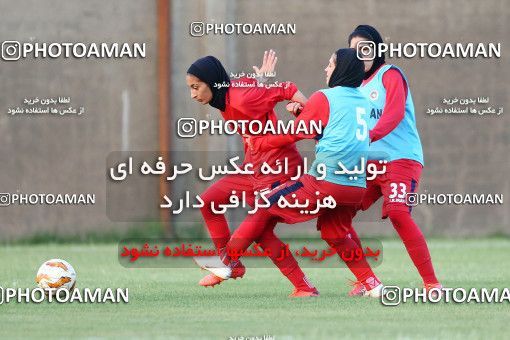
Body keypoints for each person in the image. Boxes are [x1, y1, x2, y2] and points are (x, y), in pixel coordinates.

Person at [195, 49, 384, 298]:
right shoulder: (361, 101)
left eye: (330, 65)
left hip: (324, 181)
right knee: (334, 232)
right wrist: (300, 112)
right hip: (355, 185)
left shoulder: (324, 97)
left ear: (341, 70)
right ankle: (373, 285)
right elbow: (329, 131)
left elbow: (295, 132)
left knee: (263, 209)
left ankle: (227, 263)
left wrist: (262, 142)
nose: (326, 69)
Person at [186, 51, 319, 297]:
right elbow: (258, 98)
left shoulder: (240, 98)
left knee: (261, 229)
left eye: (196, 87)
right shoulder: (227, 95)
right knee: (209, 201)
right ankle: (233, 265)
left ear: (212, 82)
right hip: (254, 167)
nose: (193, 94)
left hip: (277, 166)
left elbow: (287, 88)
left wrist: (312, 117)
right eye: (190, 88)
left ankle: (232, 265)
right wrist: (262, 82)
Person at [335, 25, 441, 295]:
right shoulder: (353, 87)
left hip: (400, 159)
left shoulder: (390, 74)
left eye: (366, 48)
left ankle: (432, 284)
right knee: (335, 216)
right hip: (368, 164)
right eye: (354, 50)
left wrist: (367, 137)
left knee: (397, 212)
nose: (361, 55)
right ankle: (367, 280)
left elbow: (392, 115)